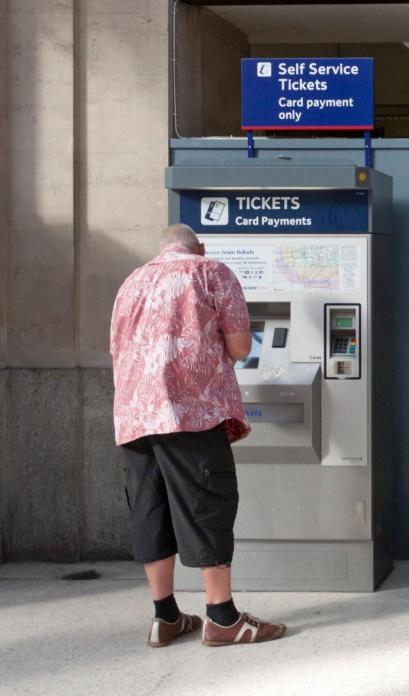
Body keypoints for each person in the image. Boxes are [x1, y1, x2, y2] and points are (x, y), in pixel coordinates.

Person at [110, 224, 286, 648]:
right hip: (189, 410)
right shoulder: (211, 271)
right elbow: (243, 346)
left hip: (135, 414)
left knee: (150, 509)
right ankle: (222, 618)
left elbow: (116, 348)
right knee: (207, 503)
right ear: (199, 247)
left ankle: (164, 616)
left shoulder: (131, 281)